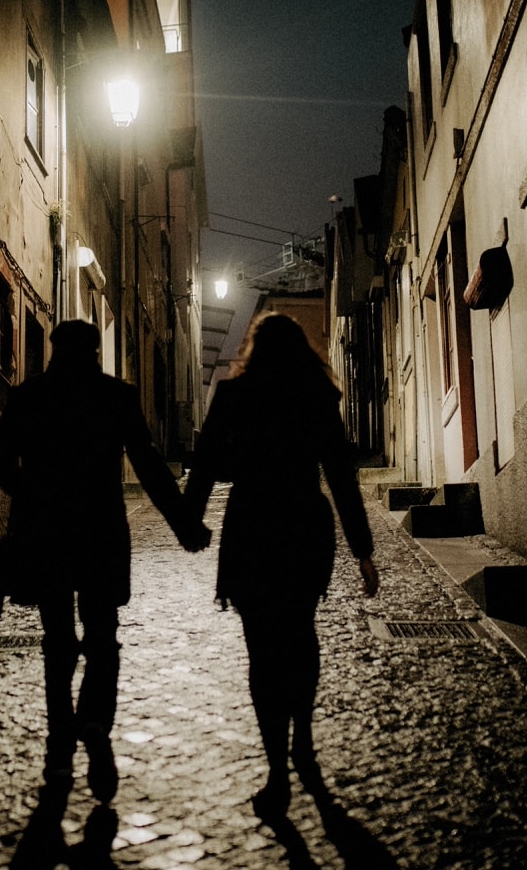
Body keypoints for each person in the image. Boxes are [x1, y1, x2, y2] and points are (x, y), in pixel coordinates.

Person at [0, 320, 210, 802]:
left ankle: (59, 744)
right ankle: (94, 726)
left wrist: (28, 493)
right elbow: (148, 465)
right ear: (94, 352)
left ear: (54, 352)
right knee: (103, 637)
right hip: (100, 534)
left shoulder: (30, 397)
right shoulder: (116, 396)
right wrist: (185, 524)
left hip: (46, 535)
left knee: (57, 641)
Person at [183, 312, 380, 819]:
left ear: (253, 348)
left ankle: (277, 768)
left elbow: (204, 466)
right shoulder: (316, 397)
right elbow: (340, 476)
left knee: (262, 650)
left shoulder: (233, 396)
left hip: (252, 528)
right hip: (303, 525)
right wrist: (362, 549)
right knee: (301, 634)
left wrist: (190, 524)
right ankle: (304, 742)